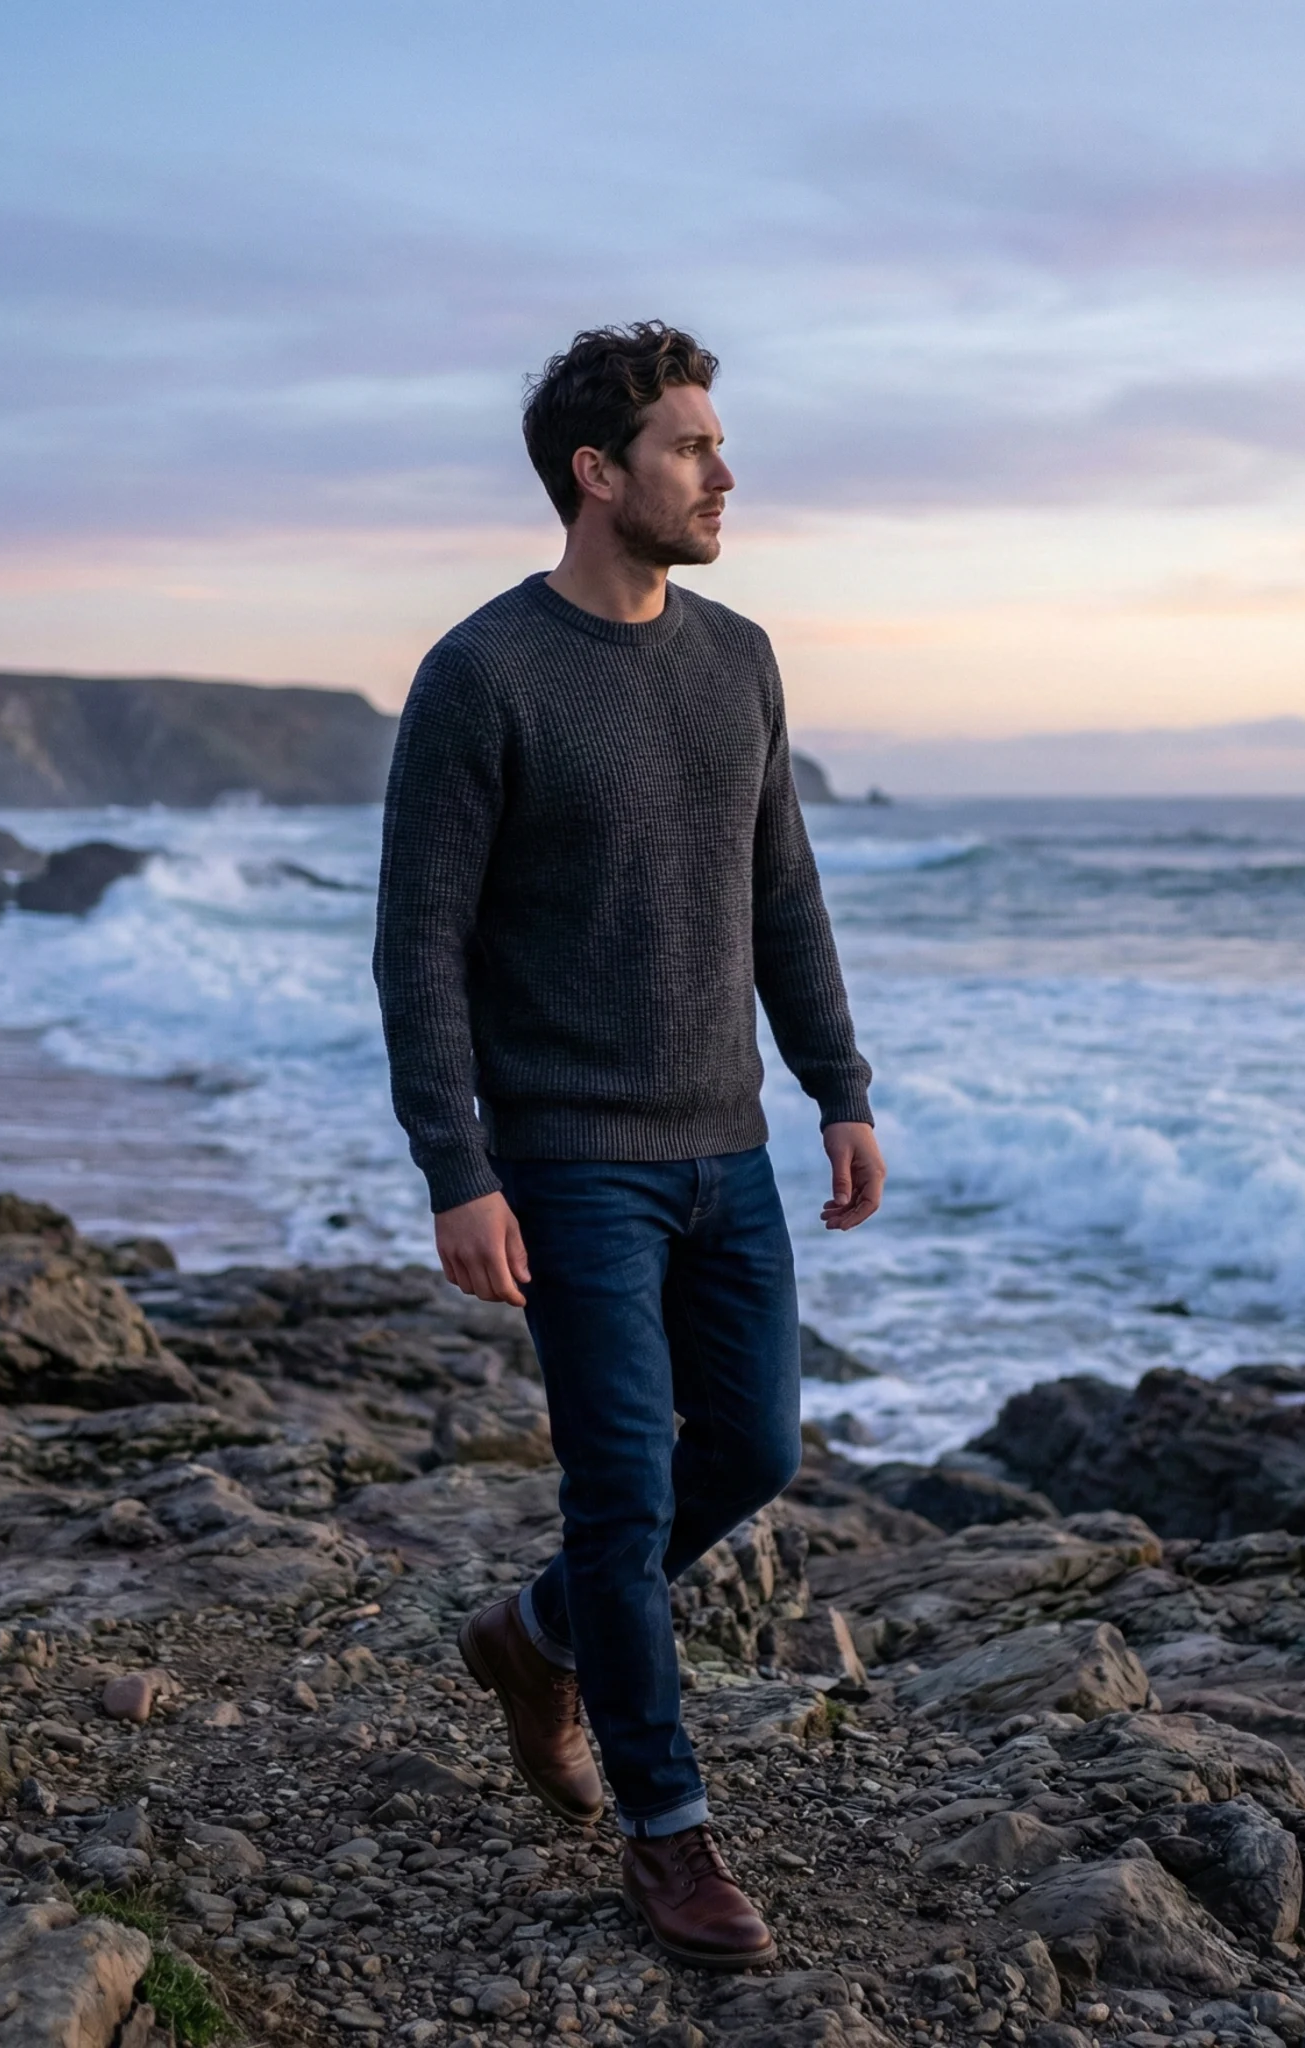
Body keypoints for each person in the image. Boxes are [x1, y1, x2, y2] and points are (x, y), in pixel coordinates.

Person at [373, 322, 884, 1970]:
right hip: (569, 1161)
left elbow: (781, 892)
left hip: (723, 1146)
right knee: (621, 1491)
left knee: (755, 1448)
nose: (723, 473)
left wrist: (840, 1085)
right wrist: (459, 1170)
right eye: (689, 447)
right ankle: (668, 1838)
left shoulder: (739, 659)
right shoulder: (483, 675)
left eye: (719, 444)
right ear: (598, 475)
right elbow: (420, 942)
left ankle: (531, 1639)